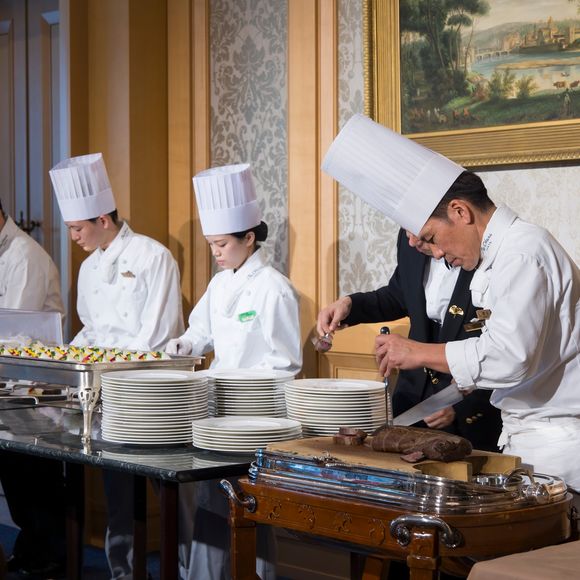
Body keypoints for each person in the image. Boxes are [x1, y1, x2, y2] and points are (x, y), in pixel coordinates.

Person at [322, 113, 580, 505]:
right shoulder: (499, 255)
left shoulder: (523, 253)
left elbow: (510, 358)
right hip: (525, 436)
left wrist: (417, 352)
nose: (437, 254)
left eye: (431, 238)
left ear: (460, 211)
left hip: (556, 444)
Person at [49, 153, 185, 579]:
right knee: (116, 487)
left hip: (151, 392)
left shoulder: (154, 257)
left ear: (103, 219)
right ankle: (122, 573)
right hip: (105, 393)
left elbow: (158, 335)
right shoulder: (89, 268)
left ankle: (181, 570)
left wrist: (108, 368)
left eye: (77, 228)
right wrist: (62, 358)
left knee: (168, 491)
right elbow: (91, 329)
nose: (73, 237)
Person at [166, 163, 302, 580]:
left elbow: (285, 365)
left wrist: (233, 382)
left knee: (250, 506)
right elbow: (201, 331)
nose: (216, 253)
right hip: (216, 411)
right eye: (211, 244)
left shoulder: (274, 288)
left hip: (255, 417)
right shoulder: (220, 283)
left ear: (249, 238)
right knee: (210, 502)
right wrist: (185, 345)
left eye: (222, 244)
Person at [317, 227, 502, 451]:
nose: (412, 241)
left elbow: (503, 352)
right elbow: (400, 295)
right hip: (411, 398)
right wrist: (350, 305)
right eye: (407, 232)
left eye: (422, 234)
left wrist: (463, 407)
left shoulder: (490, 249)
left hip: (468, 411)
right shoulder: (411, 241)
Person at [0, 200, 67, 578]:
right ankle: (30, 547)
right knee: (13, 471)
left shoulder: (25, 255)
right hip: (9, 379)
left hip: (34, 383)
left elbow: (15, 328)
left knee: (35, 472)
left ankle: (52, 553)